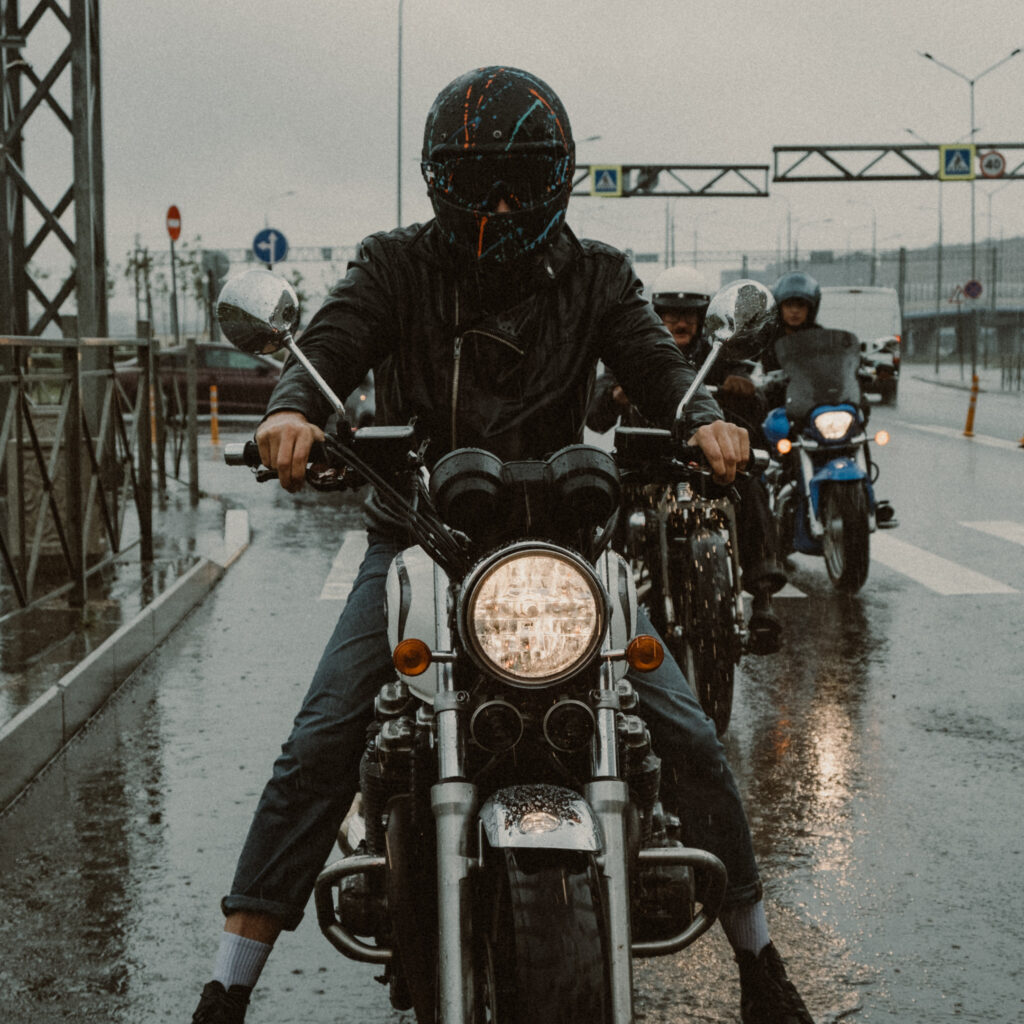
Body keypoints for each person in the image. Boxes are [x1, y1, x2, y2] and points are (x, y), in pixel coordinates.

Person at [190, 66, 815, 1024]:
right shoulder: (394, 265)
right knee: (321, 740)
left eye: (522, 181)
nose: (503, 205)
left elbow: (655, 362)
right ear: (446, 182)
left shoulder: (597, 273)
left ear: (557, 178)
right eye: (483, 183)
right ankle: (227, 989)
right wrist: (290, 413)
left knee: (684, 732)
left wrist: (702, 421)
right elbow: (335, 341)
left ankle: (760, 963)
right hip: (421, 541)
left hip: (560, 545)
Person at [588, 264, 786, 654]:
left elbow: (759, 403)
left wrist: (744, 388)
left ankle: (762, 600)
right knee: (605, 508)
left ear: (703, 318)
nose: (680, 321)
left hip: (703, 464)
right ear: (656, 315)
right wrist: (614, 396)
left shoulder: (721, 351)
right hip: (645, 464)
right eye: (671, 314)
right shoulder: (633, 354)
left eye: (690, 314)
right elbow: (595, 410)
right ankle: (609, 606)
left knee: (751, 487)